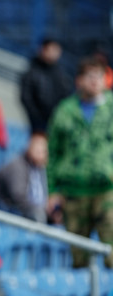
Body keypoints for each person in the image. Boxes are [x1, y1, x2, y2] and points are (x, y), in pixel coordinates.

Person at [47, 55, 113, 268]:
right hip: (73, 193)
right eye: (89, 75)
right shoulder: (65, 111)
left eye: (99, 75)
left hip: (107, 191)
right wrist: (52, 190)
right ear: (79, 80)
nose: (94, 80)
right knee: (79, 257)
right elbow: (53, 153)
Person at [20, 38, 72, 134]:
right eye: (52, 49)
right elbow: (26, 98)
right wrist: (37, 119)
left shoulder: (61, 74)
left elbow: (66, 97)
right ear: (43, 50)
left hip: (57, 122)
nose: (55, 53)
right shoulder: (31, 73)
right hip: (38, 125)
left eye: (57, 50)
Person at [0, 132, 49, 223]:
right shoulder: (17, 165)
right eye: (37, 150)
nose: (41, 154)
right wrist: (37, 209)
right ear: (29, 147)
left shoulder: (40, 170)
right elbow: (18, 196)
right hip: (15, 213)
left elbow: (42, 197)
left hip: (36, 212)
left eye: (43, 151)